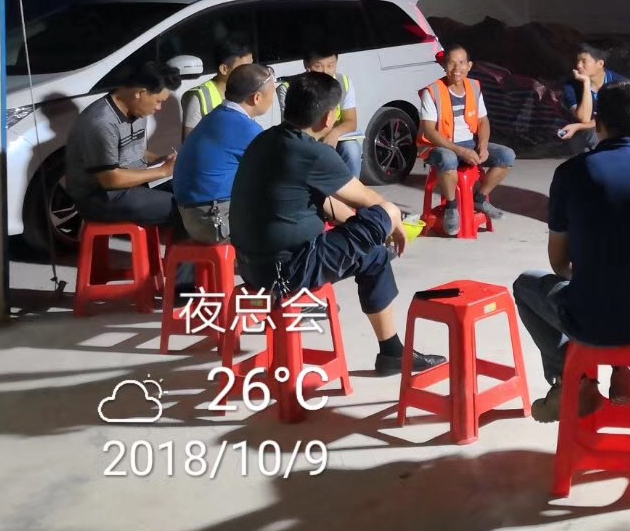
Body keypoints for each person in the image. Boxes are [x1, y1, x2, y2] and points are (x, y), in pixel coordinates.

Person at [229, 71, 444, 377]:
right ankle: (392, 352)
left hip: (251, 266)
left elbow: (328, 202)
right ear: (329, 117)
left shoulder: (266, 140)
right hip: (288, 270)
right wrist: (393, 219)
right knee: (386, 211)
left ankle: (392, 353)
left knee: (374, 254)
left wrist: (366, 230)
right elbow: (370, 201)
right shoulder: (312, 152)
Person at [513, 80, 630, 422]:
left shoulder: (570, 174)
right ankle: (629, 371)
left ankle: (571, 380)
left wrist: (597, 273)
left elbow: (559, 263)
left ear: (597, 124)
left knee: (525, 285)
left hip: (589, 321)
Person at [65, 61, 181, 229]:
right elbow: (109, 179)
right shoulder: (101, 122)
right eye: (158, 101)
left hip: (133, 188)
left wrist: (160, 160)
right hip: (101, 199)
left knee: (195, 192)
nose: (159, 108)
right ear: (140, 93)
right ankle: (179, 246)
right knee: (185, 207)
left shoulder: (137, 111)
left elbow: (135, 152)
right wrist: (163, 171)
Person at [172, 63, 277, 244]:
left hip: (192, 216)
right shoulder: (245, 128)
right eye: (272, 93)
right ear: (257, 98)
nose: (273, 98)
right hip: (214, 221)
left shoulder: (216, 116)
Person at [418, 43, 516, 231]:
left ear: (469, 66)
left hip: (470, 143)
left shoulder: (474, 86)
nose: (457, 68)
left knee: (507, 156)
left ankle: (479, 199)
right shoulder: (432, 91)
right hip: (441, 146)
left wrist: (483, 145)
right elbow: (429, 131)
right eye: (451, 63)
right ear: (444, 66)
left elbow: (483, 121)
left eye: (461, 63)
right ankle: (451, 207)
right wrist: (461, 151)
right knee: (447, 159)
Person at [279, 51, 363, 179]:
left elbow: (351, 121)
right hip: (306, 139)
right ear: (306, 65)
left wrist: (334, 133)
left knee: (352, 149)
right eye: (318, 66)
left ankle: (351, 186)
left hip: (332, 137)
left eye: (330, 66)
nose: (325, 72)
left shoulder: (343, 82)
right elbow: (290, 125)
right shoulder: (290, 87)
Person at [556, 44, 627, 154]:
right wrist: (586, 83)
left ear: (600, 64)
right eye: (578, 61)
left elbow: (611, 119)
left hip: (613, 132)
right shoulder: (570, 86)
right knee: (590, 135)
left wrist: (578, 126)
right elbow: (584, 118)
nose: (578, 65)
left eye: (584, 61)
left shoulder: (620, 85)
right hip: (582, 135)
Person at [181, 38, 254, 139]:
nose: (251, 72)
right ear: (224, 69)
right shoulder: (200, 97)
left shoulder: (247, 91)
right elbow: (189, 141)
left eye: (252, 66)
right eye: (244, 68)